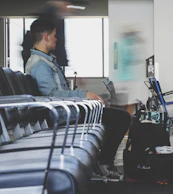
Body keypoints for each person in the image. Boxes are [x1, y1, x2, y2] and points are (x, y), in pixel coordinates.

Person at [25, 18, 130, 182]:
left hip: (65, 111)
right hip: (61, 115)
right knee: (121, 118)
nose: (56, 39)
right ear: (46, 37)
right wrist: (83, 95)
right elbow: (51, 95)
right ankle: (104, 164)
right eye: (54, 35)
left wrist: (83, 96)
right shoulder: (40, 65)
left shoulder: (46, 62)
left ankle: (98, 163)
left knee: (113, 116)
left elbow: (59, 92)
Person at [22, 0, 87, 71]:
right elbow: (56, 47)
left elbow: (60, 47)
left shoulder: (58, 19)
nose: (72, 10)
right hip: (42, 66)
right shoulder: (48, 19)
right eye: (67, 5)